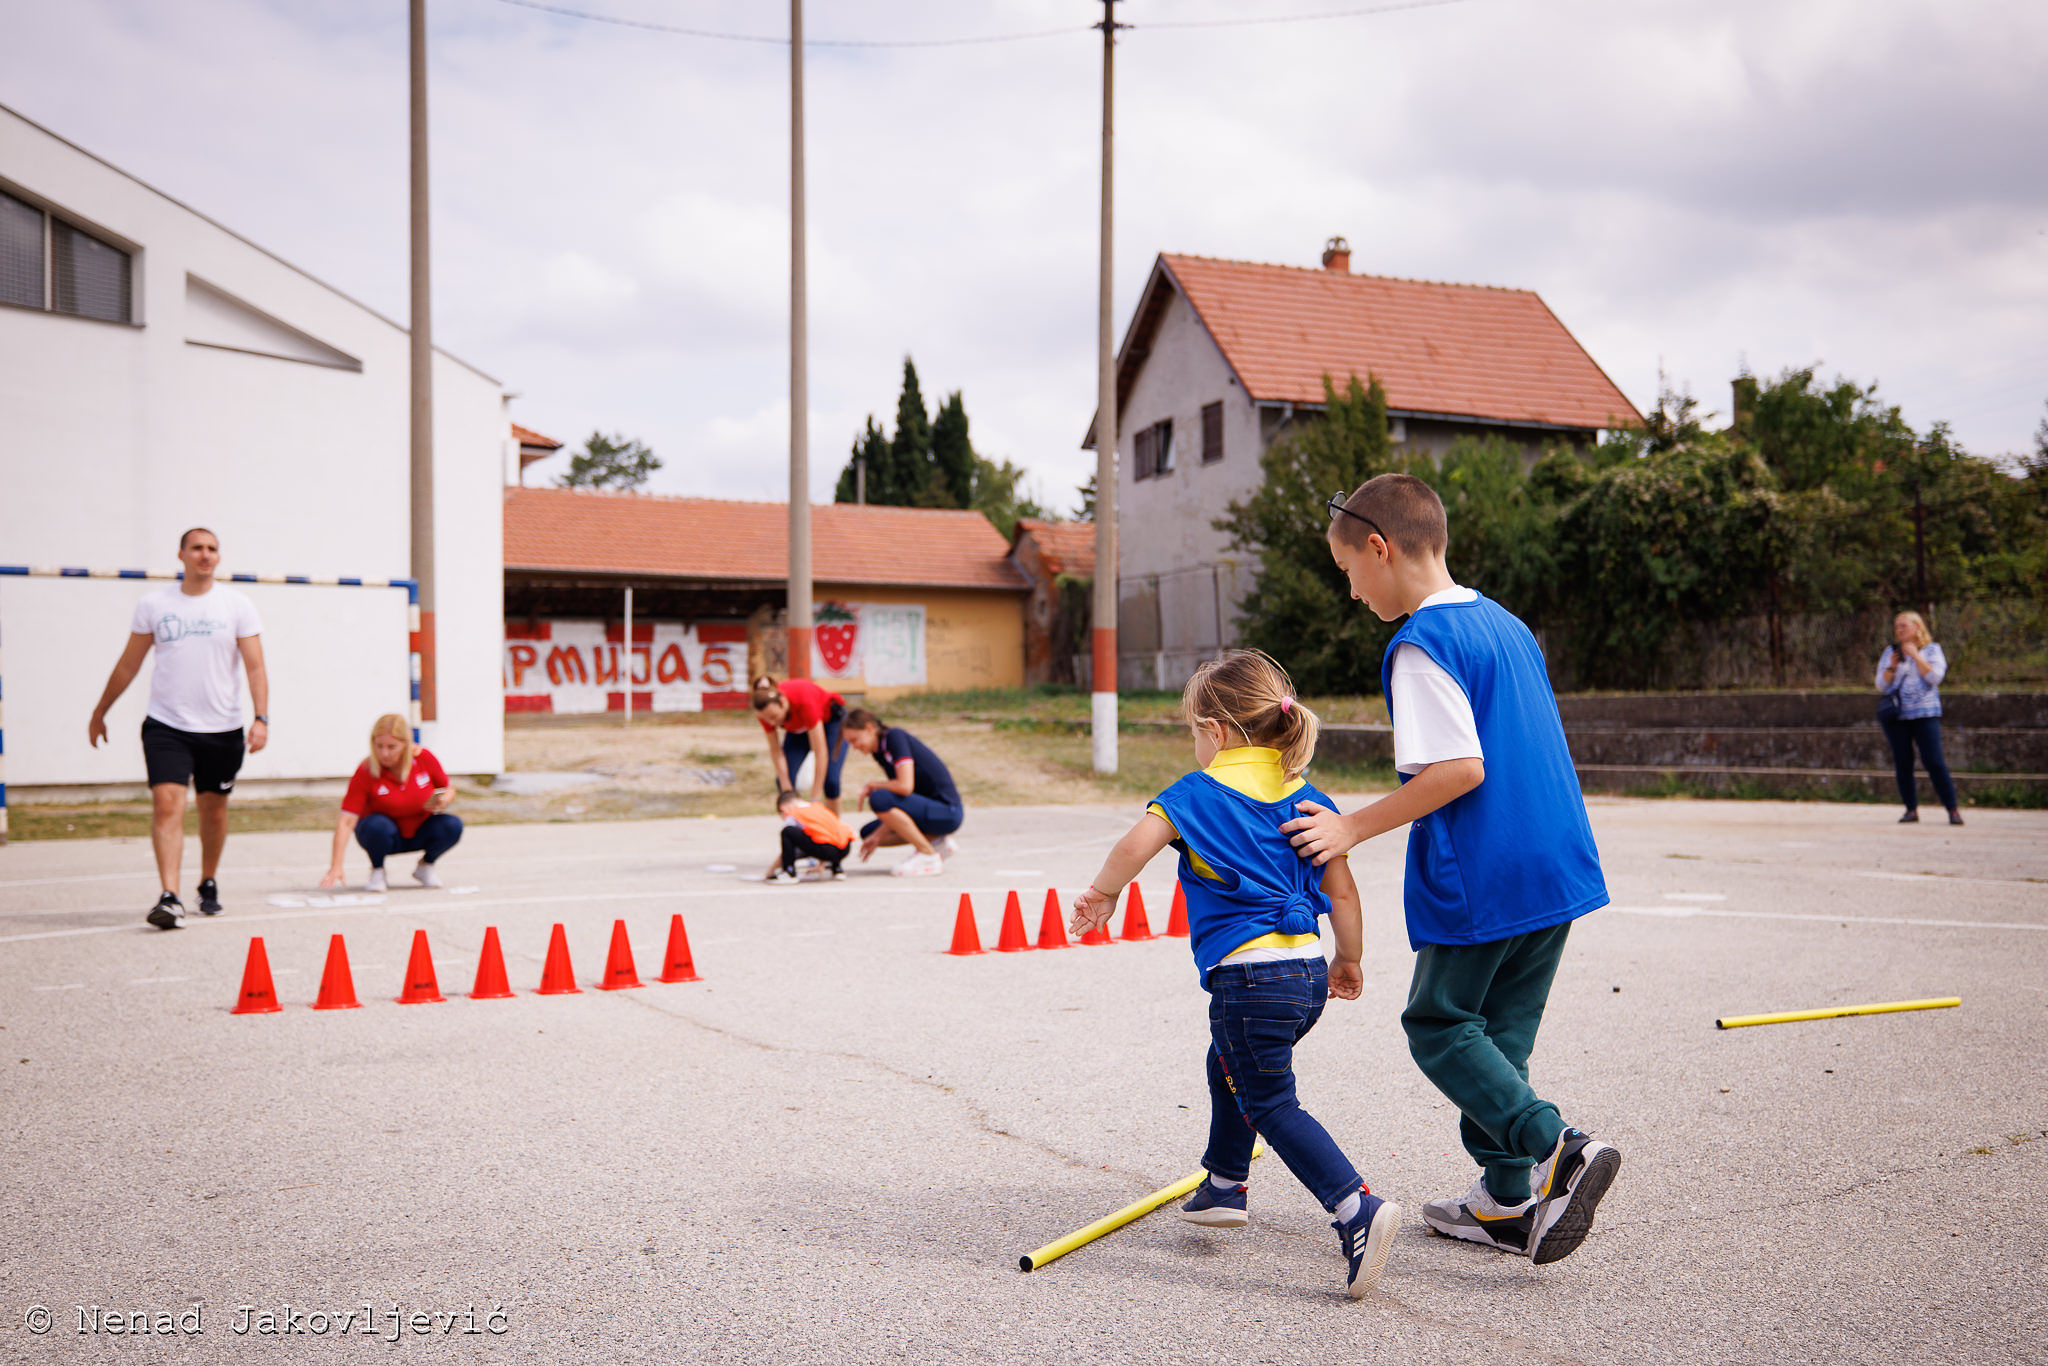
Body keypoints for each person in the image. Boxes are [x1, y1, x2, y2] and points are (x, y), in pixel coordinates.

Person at [1282, 474, 1621, 1267]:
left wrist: (1351, 827)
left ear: (1379, 547)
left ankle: (1556, 1148)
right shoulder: (1505, 623)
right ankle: (1506, 1201)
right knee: (1499, 1036)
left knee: (1437, 1024)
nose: (1353, 593)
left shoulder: (1421, 645)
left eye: (1349, 574)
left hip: (1487, 866)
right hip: (1556, 862)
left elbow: (1459, 769)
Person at [1069, 650, 1398, 1299]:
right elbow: (1347, 893)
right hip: (1305, 977)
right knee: (1229, 1063)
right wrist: (1349, 957)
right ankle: (1224, 1181)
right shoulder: (1311, 800)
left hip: (1249, 982)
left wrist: (1104, 894)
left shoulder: (1197, 795)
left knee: (1269, 1101)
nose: (1195, 743)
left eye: (1194, 731)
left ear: (1216, 732)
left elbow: (1136, 844)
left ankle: (1355, 1206)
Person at [87, 527, 268, 930]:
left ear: (218, 557)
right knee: (167, 803)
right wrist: (101, 710)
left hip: (222, 729)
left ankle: (208, 881)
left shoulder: (237, 605)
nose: (205, 555)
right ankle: (170, 896)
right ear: (182, 554)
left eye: (212, 549)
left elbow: (255, 666)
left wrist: (261, 717)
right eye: (197, 548)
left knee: (213, 811)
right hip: (167, 725)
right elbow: (129, 663)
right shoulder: (155, 603)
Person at [320, 714, 462, 892]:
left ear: (406, 744)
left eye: (391, 747)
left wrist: (446, 798)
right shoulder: (366, 770)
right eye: (379, 746)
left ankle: (426, 866)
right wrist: (336, 865)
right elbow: (346, 820)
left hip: (418, 829)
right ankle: (377, 870)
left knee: (452, 825)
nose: (384, 753)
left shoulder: (424, 758)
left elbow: (448, 788)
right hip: (385, 835)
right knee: (376, 825)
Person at [842, 708, 963, 878]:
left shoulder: (894, 737)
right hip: (926, 809)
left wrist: (873, 785)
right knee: (868, 833)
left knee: (879, 797)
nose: (854, 747)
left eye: (854, 739)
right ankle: (937, 843)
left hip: (946, 811)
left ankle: (928, 855)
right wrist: (877, 836)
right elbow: (900, 800)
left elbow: (905, 786)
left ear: (869, 728)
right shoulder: (880, 753)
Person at [1876, 610, 1961, 825]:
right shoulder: (1890, 652)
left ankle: (1952, 808)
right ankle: (1910, 809)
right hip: (1897, 717)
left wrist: (1915, 655)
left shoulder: (1932, 650)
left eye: (1903, 625)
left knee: (1934, 761)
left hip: (1925, 713)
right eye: (1897, 626)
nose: (1899, 630)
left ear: (1917, 627)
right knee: (1903, 762)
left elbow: (1935, 677)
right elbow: (1881, 685)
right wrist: (1892, 667)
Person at [752, 675, 849, 814]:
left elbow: (820, 753)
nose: (772, 723)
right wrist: (786, 786)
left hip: (830, 723)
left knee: (830, 781)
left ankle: (834, 829)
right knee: (784, 782)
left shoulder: (804, 700)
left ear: (783, 702)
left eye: (774, 717)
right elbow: (776, 751)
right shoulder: (764, 711)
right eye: (767, 720)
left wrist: (814, 798)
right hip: (798, 730)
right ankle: (798, 827)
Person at [765, 789, 855, 883]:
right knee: (820, 837)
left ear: (783, 808)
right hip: (845, 848)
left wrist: (771, 871)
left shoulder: (794, 813)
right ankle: (837, 868)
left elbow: (787, 849)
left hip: (827, 850)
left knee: (788, 832)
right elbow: (824, 835)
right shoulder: (817, 807)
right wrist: (821, 862)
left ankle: (789, 872)